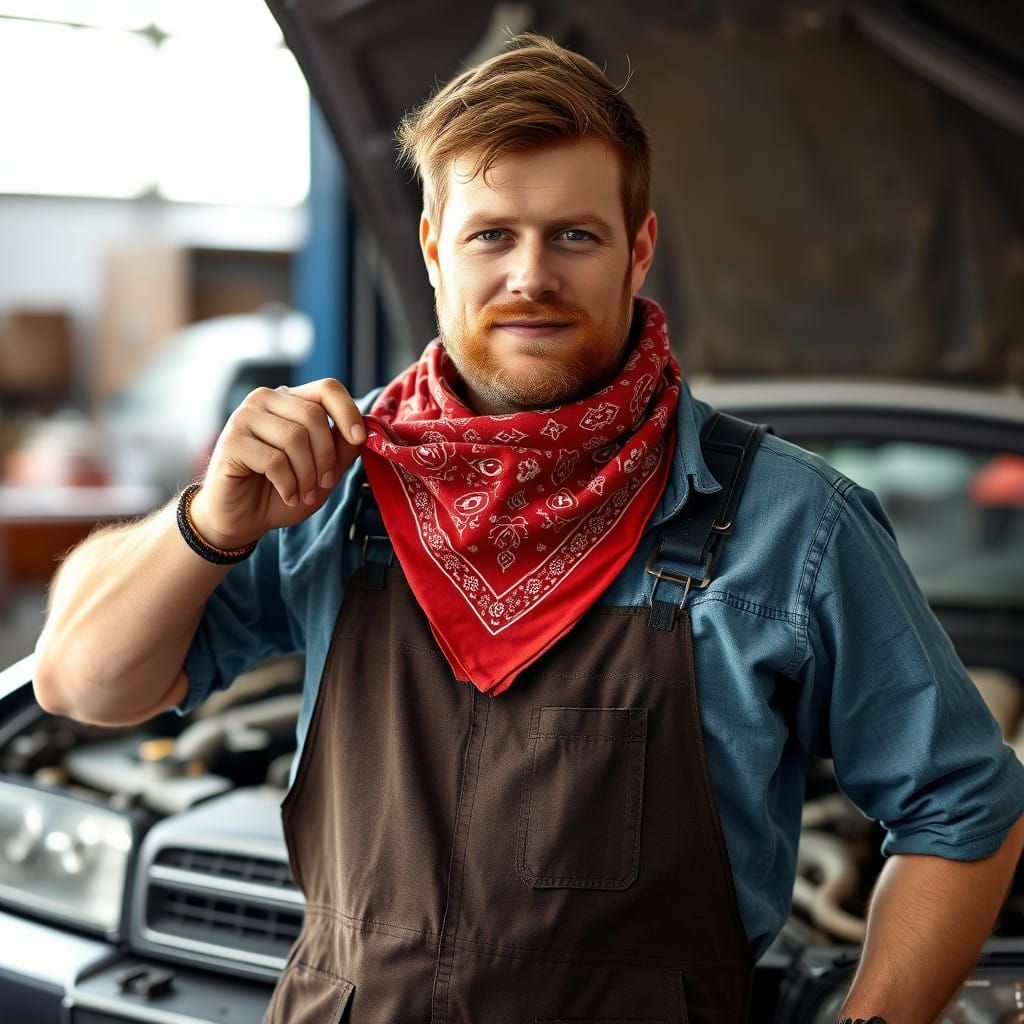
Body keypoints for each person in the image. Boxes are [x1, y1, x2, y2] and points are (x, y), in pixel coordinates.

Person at [34, 33, 1023, 1024]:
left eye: (575, 236)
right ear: (433, 247)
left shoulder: (791, 525)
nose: (530, 276)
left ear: (639, 249)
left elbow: (963, 807)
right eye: (492, 235)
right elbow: (79, 683)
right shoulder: (330, 482)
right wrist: (207, 521)